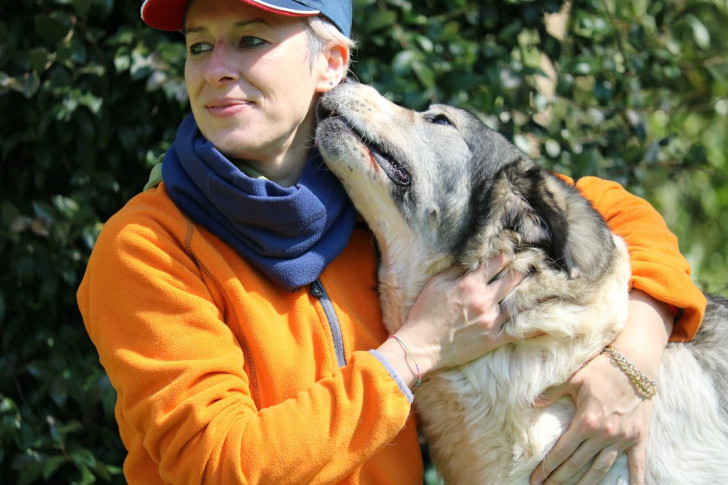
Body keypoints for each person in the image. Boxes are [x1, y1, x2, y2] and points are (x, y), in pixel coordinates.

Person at [77, 0, 706, 483]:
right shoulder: (145, 247)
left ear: (331, 64)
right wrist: (416, 348)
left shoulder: (376, 187)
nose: (215, 70)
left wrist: (636, 355)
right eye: (198, 45)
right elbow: (218, 465)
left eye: (249, 41)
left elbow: (609, 211)